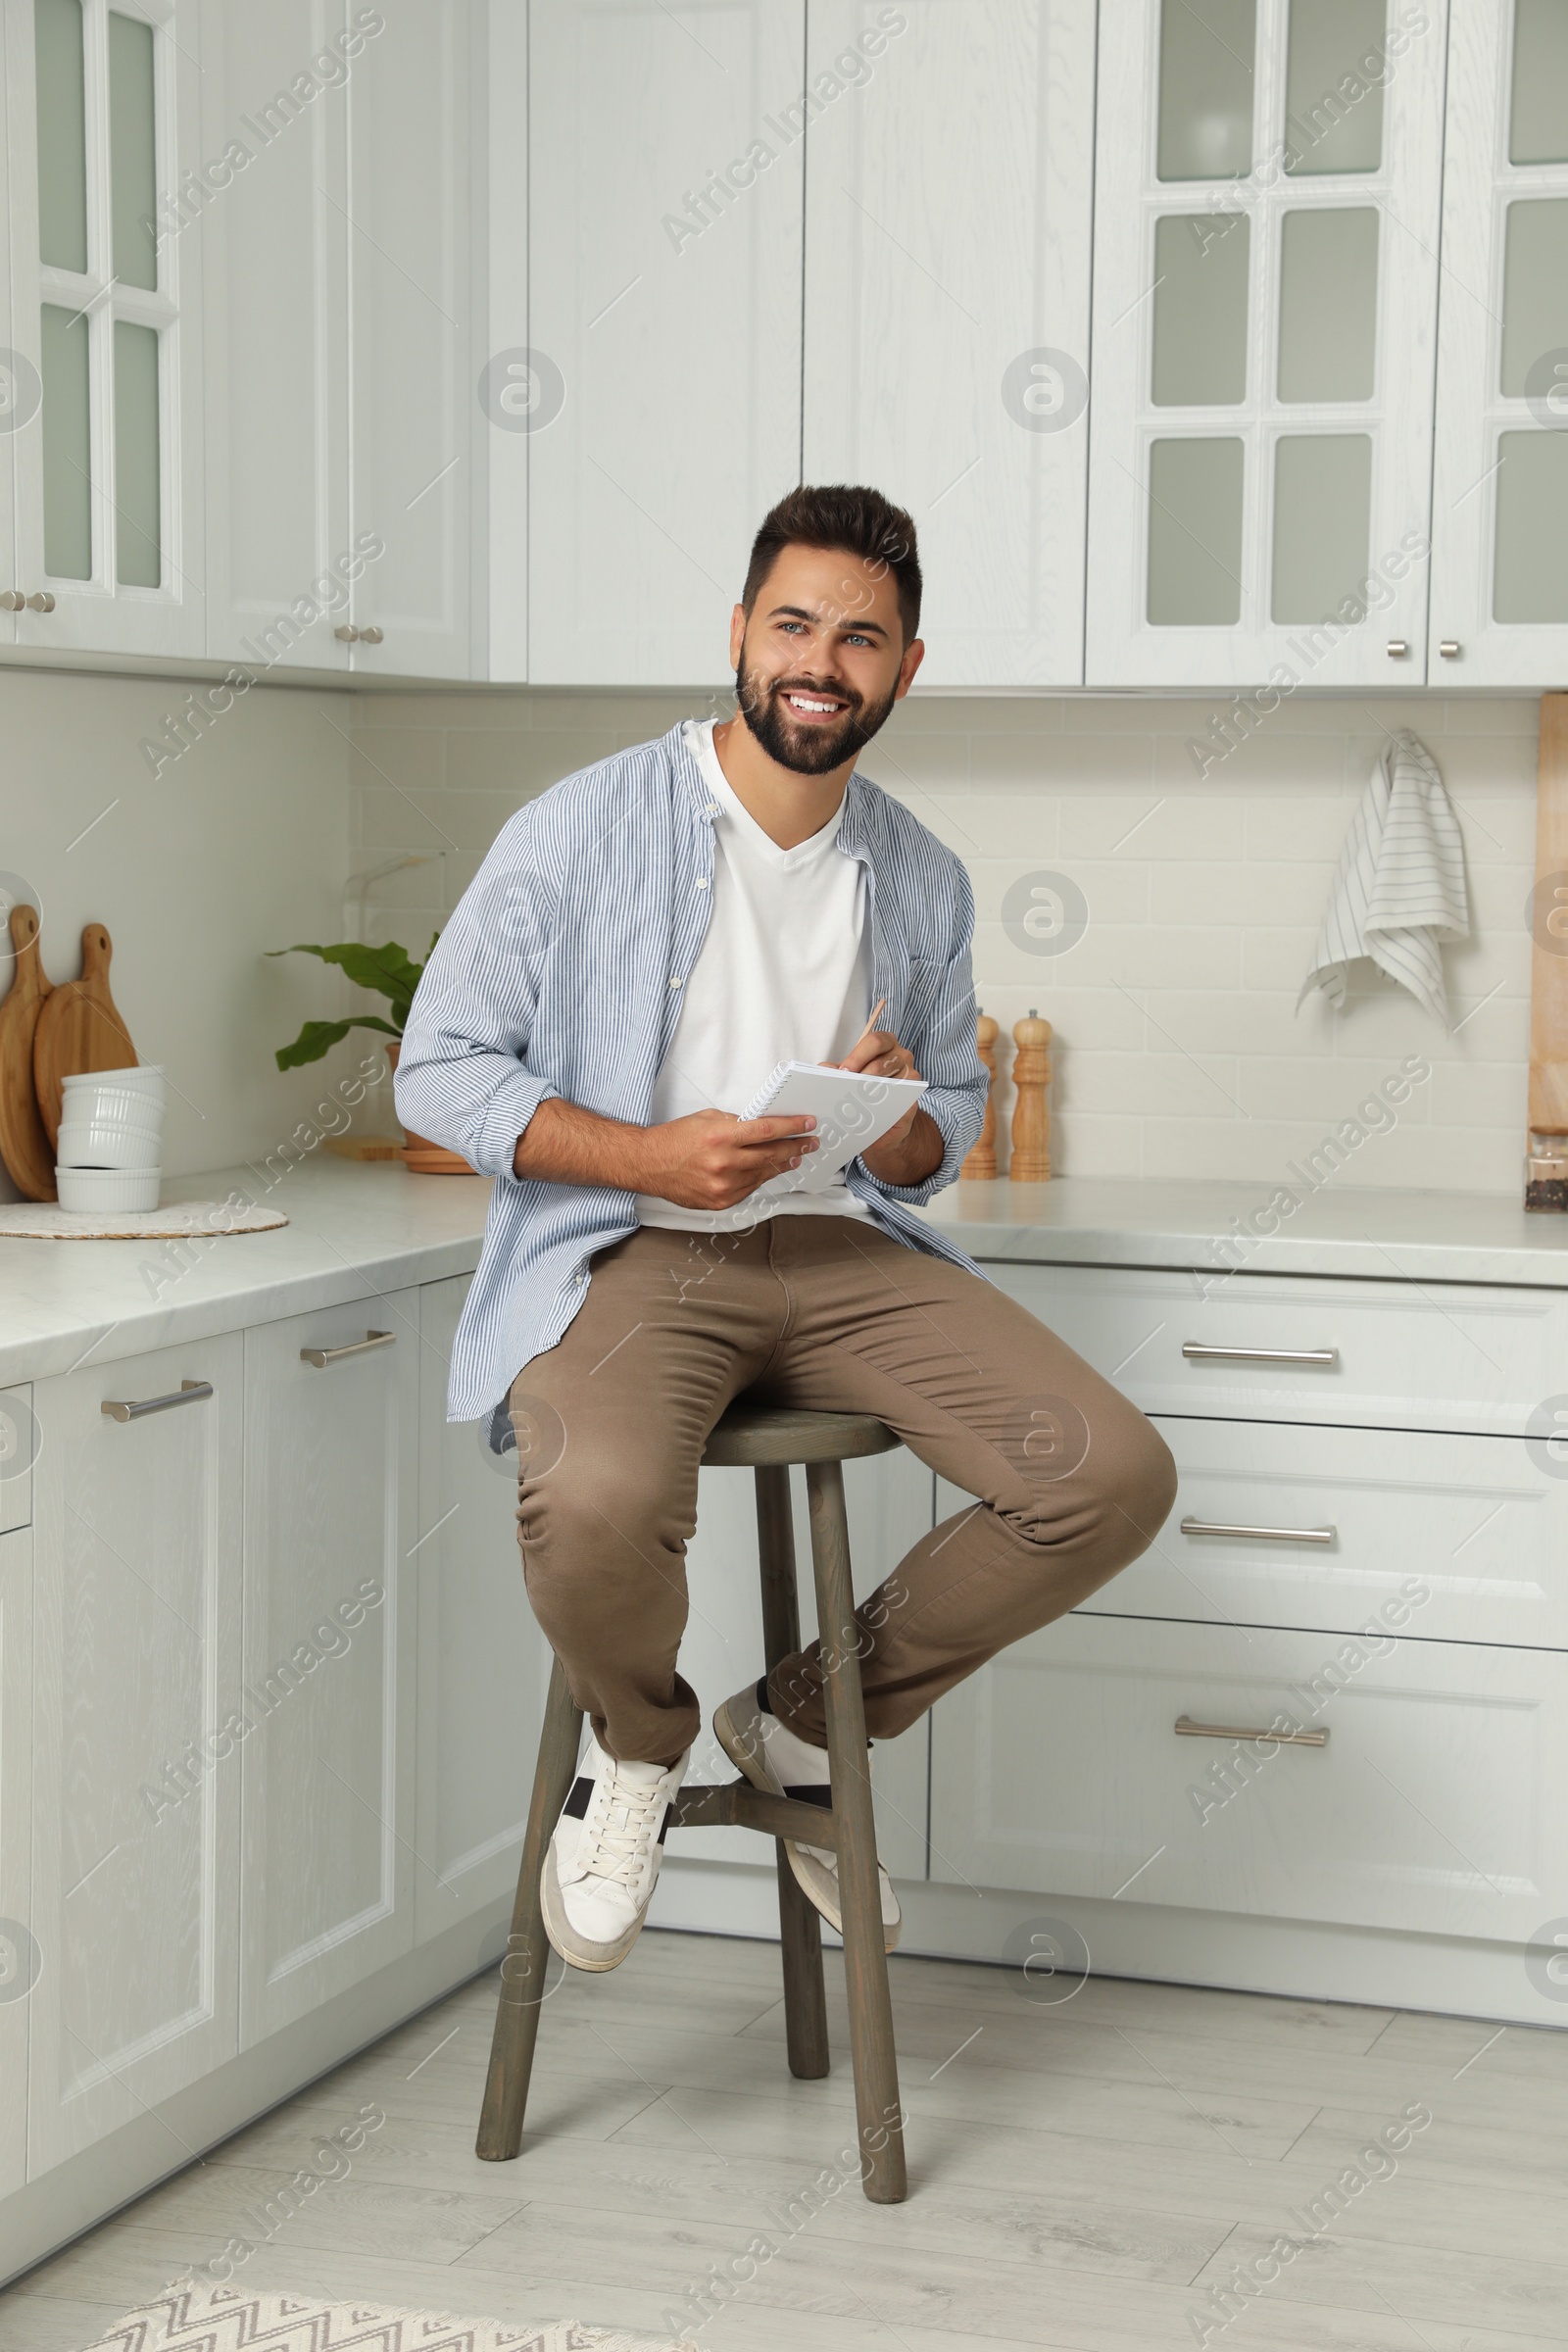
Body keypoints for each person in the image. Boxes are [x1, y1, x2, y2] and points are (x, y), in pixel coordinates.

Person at [396, 484, 1176, 1973]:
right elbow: (435, 1073)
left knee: (1111, 1479)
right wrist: (645, 1156)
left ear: (906, 667)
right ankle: (637, 1746)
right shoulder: (577, 831)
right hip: (631, 1250)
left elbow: (941, 1129)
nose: (823, 661)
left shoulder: (921, 875)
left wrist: (899, 1123)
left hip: (834, 1249)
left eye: (861, 638)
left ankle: (809, 1719)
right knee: (593, 1495)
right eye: (796, 624)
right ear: (742, 635)